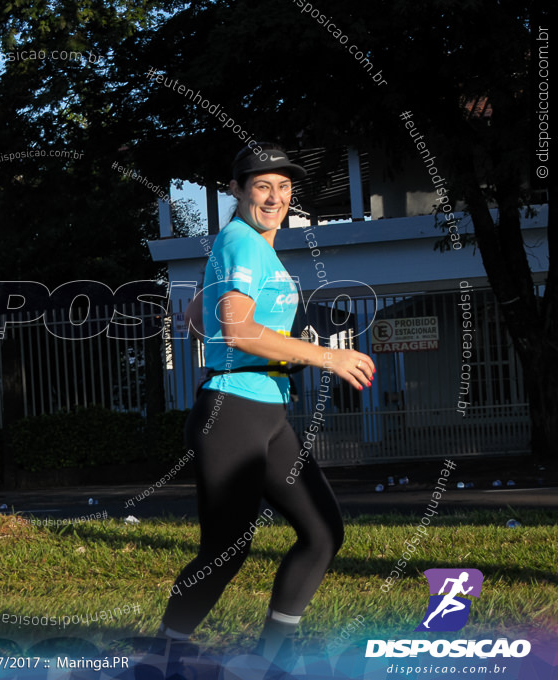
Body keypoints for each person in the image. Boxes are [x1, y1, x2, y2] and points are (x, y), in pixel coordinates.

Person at [159, 143, 375, 668]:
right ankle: (160, 656)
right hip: (232, 412)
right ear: (237, 190)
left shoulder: (255, 247)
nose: (274, 196)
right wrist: (324, 356)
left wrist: (281, 349)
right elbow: (236, 328)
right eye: (261, 185)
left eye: (283, 186)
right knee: (226, 551)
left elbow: (195, 316)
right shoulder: (243, 241)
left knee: (322, 533)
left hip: (268, 411)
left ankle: (270, 661)